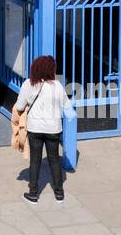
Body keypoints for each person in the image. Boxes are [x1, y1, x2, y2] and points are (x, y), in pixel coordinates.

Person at [13, 55, 75, 203]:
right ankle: (59, 193)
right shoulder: (58, 86)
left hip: (35, 128)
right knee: (54, 160)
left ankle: (33, 193)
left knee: (35, 160)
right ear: (51, 70)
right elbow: (67, 106)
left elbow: (20, 106)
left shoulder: (29, 84)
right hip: (54, 128)